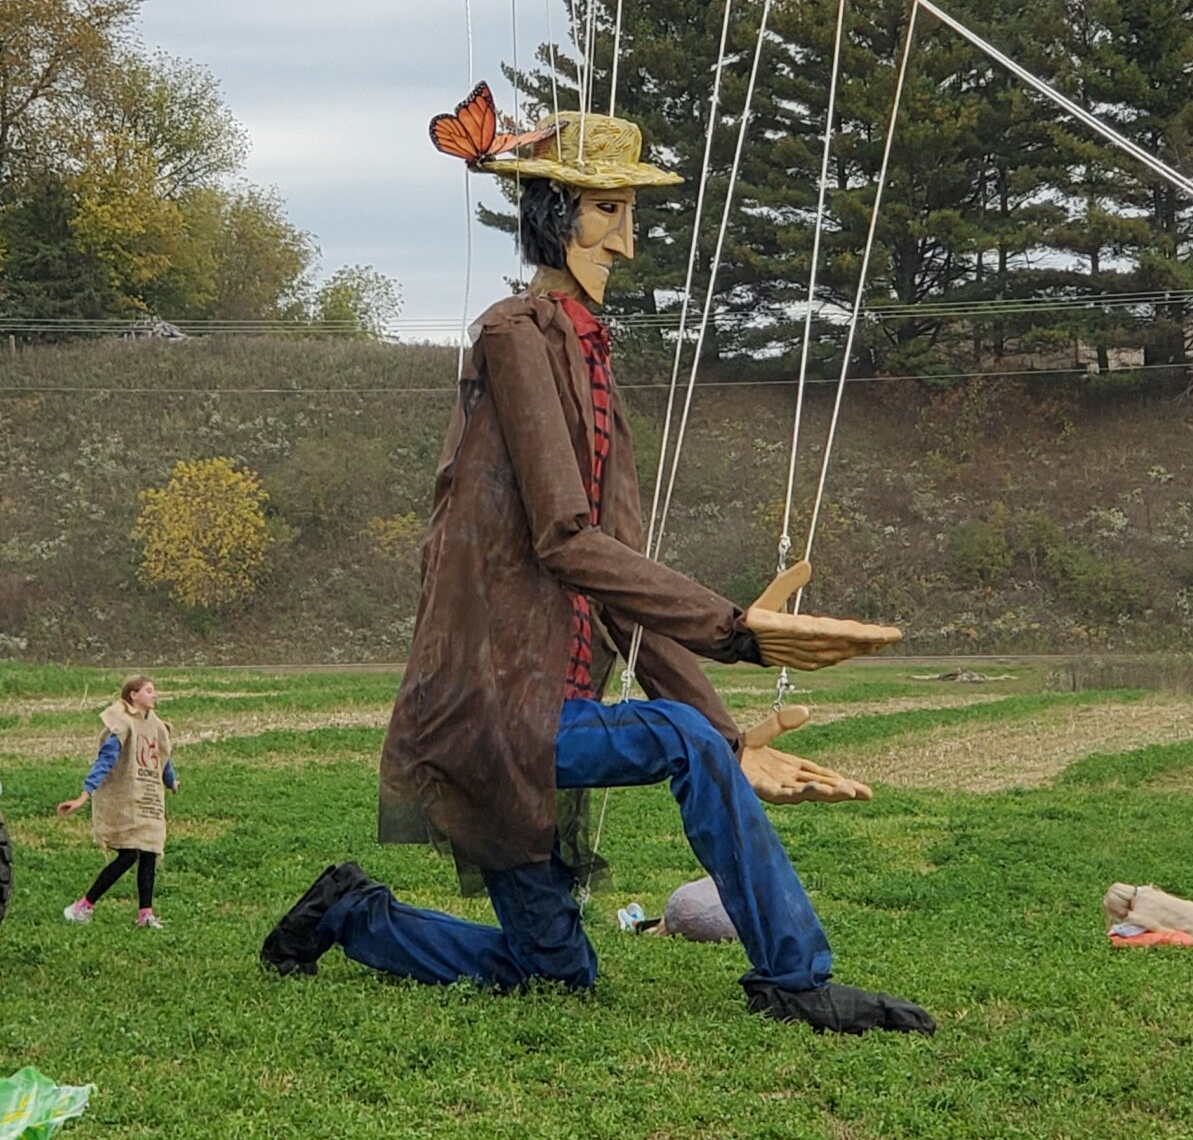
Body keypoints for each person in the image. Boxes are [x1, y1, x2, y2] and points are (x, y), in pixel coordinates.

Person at [262, 107, 935, 1035]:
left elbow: (623, 588)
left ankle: (351, 913)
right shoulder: (515, 336)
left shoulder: (589, 353)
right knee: (676, 739)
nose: (625, 238)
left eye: (628, 211)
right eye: (608, 210)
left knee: (552, 973)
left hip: (552, 720)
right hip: (496, 716)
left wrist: (730, 736)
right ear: (553, 215)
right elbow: (565, 543)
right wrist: (734, 631)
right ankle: (794, 976)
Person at [59, 676, 178, 929]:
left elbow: (161, 756)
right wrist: (84, 794)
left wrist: (171, 781)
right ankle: (82, 906)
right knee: (129, 854)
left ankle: (145, 914)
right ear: (133, 695)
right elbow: (106, 759)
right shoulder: (122, 722)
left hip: (148, 799)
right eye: (148, 690)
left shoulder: (154, 724)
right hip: (126, 798)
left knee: (149, 852)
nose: (154, 695)